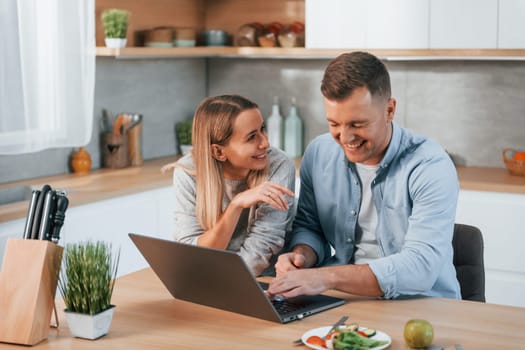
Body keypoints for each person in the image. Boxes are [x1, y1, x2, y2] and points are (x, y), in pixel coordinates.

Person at [268, 52, 461, 300]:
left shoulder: (429, 165)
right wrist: (302, 254)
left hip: (419, 302)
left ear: (389, 110)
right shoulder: (319, 153)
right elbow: (309, 226)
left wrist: (326, 277)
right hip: (344, 299)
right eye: (334, 124)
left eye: (357, 124)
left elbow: (420, 268)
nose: (345, 138)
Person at [167, 94, 296, 276]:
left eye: (262, 129)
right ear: (218, 151)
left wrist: (225, 283)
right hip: (208, 276)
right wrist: (235, 205)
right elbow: (193, 252)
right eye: (252, 137)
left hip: (264, 281)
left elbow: (261, 247)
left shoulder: (278, 165)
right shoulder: (188, 172)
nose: (265, 143)